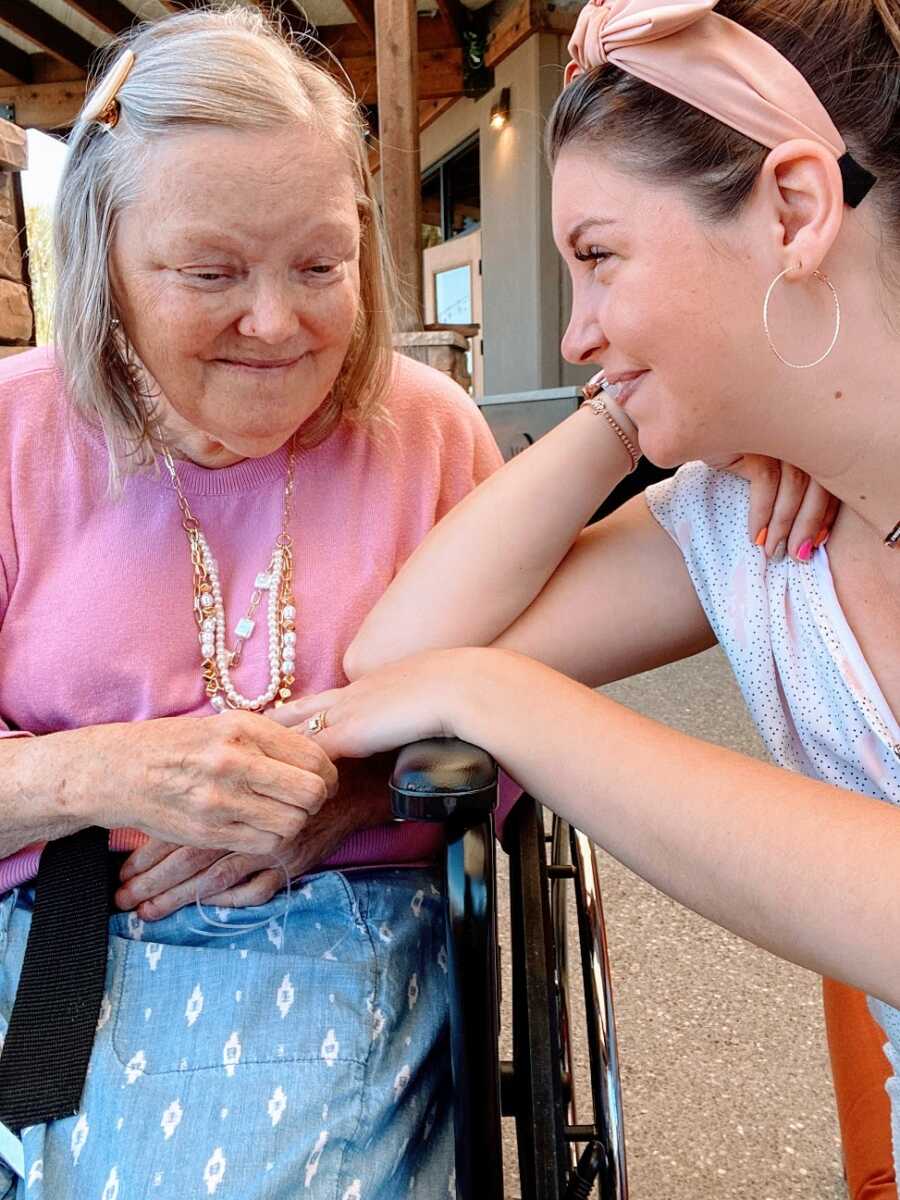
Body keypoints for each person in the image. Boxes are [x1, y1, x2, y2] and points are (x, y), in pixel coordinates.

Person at [277, 0, 900, 1184]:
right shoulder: (748, 519)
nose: (573, 334)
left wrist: (503, 703)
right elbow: (399, 650)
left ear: (795, 210)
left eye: (599, 258)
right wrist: (625, 416)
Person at [0, 7, 510, 1197]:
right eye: (211, 272)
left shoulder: (429, 440)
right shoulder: (17, 440)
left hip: (338, 931)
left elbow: (530, 725)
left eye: (320, 266)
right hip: (44, 923)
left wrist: (358, 790)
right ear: (108, 262)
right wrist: (103, 774)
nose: (277, 322)